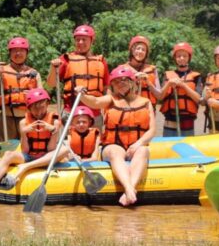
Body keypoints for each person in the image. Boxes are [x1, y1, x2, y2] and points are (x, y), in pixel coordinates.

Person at [79, 65, 155, 207]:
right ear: (113, 85)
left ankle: (129, 190)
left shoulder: (145, 102)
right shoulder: (110, 100)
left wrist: (139, 143)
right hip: (113, 145)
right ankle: (129, 189)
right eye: (116, 81)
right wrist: (82, 94)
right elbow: (94, 102)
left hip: (135, 146)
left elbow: (152, 130)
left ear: (132, 82)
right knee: (115, 151)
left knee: (144, 150)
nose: (121, 84)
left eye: (124, 80)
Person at [0, 87, 61, 206]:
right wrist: (24, 133)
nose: (39, 112)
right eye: (35, 108)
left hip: (47, 157)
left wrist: (53, 131)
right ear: (29, 108)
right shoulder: (23, 122)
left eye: (42, 107)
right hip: (29, 156)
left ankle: (25, 167)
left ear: (47, 104)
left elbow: (51, 150)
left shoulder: (55, 122)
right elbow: (25, 150)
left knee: (64, 149)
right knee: (7, 154)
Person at [46, 24, 109, 117]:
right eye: (77, 39)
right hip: (71, 112)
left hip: (94, 113)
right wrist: (53, 68)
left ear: (92, 41)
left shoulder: (101, 61)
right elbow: (51, 84)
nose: (80, 42)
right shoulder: (66, 59)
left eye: (84, 39)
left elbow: (106, 88)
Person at [0, 37, 40, 141]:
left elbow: (42, 101)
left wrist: (33, 96)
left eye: (21, 50)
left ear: (27, 53)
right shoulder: (1, 71)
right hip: (7, 118)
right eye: (14, 50)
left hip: (28, 118)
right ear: (9, 53)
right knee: (5, 149)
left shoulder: (34, 73)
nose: (18, 53)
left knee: (28, 150)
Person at [157, 42, 203, 137]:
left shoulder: (196, 76)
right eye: (178, 56)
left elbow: (198, 99)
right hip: (170, 119)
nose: (181, 58)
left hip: (187, 119)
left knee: (186, 148)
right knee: (169, 148)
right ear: (175, 58)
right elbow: (160, 97)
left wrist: (183, 86)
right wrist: (169, 83)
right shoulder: (167, 75)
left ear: (189, 58)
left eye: (184, 56)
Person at [120, 35, 160, 107]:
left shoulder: (153, 70)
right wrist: (132, 80)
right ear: (132, 50)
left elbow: (159, 95)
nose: (140, 51)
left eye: (143, 50)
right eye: (138, 48)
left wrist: (148, 82)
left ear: (146, 53)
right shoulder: (122, 69)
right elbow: (118, 93)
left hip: (148, 110)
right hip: (129, 110)